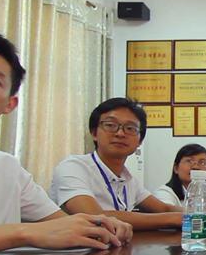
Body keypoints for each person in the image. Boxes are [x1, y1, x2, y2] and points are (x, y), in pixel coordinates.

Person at [0, 25, 131, 255]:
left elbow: (61, 224)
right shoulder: (74, 166)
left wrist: (102, 226)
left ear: (10, 104)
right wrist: (23, 233)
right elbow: (39, 232)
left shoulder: (7, 169)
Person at [50, 98, 186, 230]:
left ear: (140, 141)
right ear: (94, 133)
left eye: (130, 128)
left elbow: (163, 208)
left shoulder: (129, 179)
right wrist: (172, 219)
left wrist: (195, 215)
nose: (120, 133)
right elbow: (94, 216)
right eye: (110, 125)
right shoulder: (73, 167)